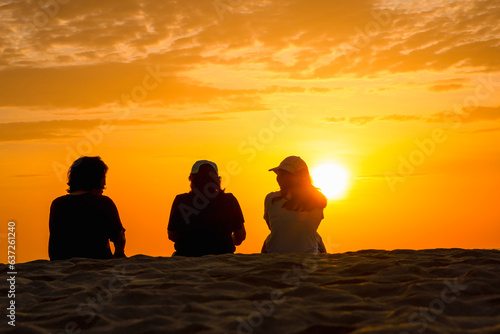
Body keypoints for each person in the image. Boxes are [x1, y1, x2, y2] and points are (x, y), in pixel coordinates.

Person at [48, 156, 126, 260]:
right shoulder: (104, 202)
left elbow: (55, 243)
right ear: (96, 179)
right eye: (103, 177)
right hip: (98, 261)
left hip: (62, 262)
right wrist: (119, 254)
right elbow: (119, 238)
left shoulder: (57, 204)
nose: (105, 183)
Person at [168, 160, 246, 256]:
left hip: (187, 257)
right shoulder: (229, 200)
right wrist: (223, 241)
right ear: (217, 180)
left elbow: (172, 235)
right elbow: (240, 236)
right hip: (223, 257)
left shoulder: (181, 200)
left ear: (192, 178)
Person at [262, 156, 327, 254]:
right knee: (317, 238)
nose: (278, 178)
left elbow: (272, 227)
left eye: (281, 174)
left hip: (275, 255)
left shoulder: (271, 199)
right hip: (309, 256)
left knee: (268, 240)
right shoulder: (318, 200)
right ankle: (322, 268)